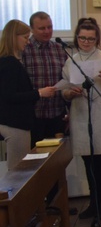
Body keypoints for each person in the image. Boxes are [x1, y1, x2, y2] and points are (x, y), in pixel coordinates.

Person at [61, 17, 101, 220]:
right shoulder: (71, 60)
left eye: (90, 39)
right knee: (88, 163)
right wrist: (69, 93)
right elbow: (64, 90)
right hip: (81, 115)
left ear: (96, 39)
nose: (86, 42)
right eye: (83, 38)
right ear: (77, 37)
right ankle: (94, 203)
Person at [0, 20, 56, 169]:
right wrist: (39, 93)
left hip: (18, 123)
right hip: (15, 124)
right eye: (25, 38)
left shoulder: (11, 61)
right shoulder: (9, 63)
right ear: (13, 37)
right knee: (18, 170)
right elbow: (9, 96)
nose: (27, 42)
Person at [21, 11, 69, 142]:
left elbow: (66, 78)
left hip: (57, 114)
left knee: (57, 159)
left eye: (50, 27)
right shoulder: (24, 49)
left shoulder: (59, 49)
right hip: (34, 116)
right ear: (31, 29)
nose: (47, 31)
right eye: (42, 28)